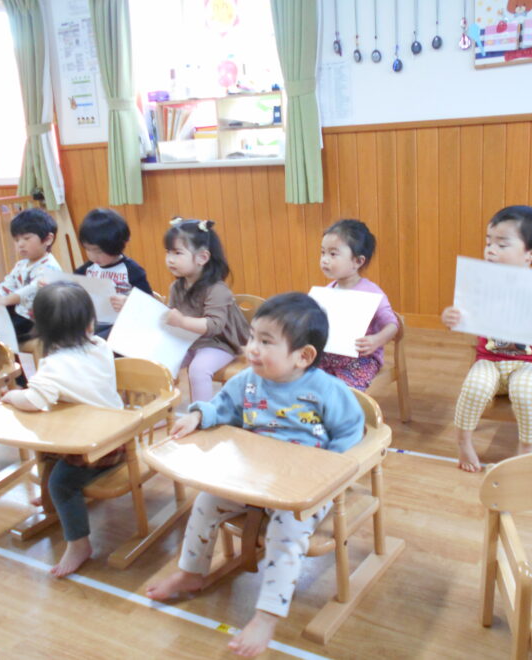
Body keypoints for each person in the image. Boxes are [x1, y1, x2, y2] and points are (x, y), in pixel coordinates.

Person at [145, 292, 364, 657]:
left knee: (287, 530)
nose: (252, 349)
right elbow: (221, 407)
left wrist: (328, 473)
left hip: (303, 489)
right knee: (206, 502)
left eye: (265, 342)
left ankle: (267, 615)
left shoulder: (328, 391)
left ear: (303, 356)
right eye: (251, 337)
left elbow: (351, 435)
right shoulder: (247, 381)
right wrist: (197, 415)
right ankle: (191, 572)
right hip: (250, 479)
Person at [441, 205, 532, 472]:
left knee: (525, 391)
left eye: (502, 245)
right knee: (474, 386)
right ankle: (463, 442)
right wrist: (450, 317)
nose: (490, 250)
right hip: (489, 361)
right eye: (488, 243)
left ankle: (527, 451)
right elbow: (462, 316)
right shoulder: (480, 284)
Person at [1, 282, 124, 577]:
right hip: (115, 437)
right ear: (90, 323)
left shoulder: (55, 365)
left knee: (61, 483)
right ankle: (51, 498)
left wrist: (12, 396)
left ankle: (79, 544)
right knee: (48, 451)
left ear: (42, 331)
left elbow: (33, 400)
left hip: (98, 448)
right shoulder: (100, 346)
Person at [163, 217, 249, 403]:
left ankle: (202, 413)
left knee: (198, 370)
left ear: (202, 257)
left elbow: (214, 325)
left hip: (219, 343)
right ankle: (162, 408)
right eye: (168, 252)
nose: (170, 259)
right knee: (163, 362)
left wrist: (182, 321)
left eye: (178, 253)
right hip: (190, 341)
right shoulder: (176, 287)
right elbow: (172, 317)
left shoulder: (217, 289)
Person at [317, 219, 398, 390]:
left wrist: (376, 340)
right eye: (323, 252)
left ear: (358, 262)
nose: (324, 260)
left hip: (362, 359)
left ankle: (341, 406)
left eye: (333, 254)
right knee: (299, 376)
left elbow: (393, 325)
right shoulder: (327, 291)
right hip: (328, 355)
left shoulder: (371, 292)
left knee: (343, 391)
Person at [74, 208, 152, 338]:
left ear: (115, 246)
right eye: (88, 249)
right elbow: (71, 285)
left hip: (121, 326)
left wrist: (129, 303)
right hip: (93, 322)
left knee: (94, 341)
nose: (92, 256)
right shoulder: (89, 268)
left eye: (98, 251)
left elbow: (149, 304)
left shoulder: (132, 270)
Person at [0, 208, 61, 341]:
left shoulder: (50, 267)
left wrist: (5, 300)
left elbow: (31, 290)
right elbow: (8, 283)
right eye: (16, 240)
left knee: (2, 332)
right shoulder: (21, 264)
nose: (20, 244)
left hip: (35, 320)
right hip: (20, 312)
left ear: (48, 239)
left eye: (26, 238)